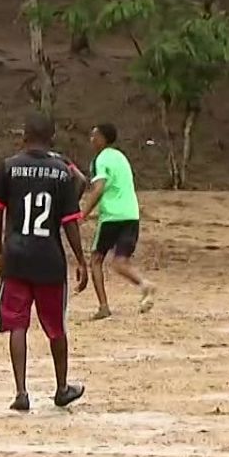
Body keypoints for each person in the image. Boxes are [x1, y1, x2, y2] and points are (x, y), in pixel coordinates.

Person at [0, 112, 89, 411]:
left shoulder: (8, 167)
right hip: (49, 259)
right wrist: (80, 259)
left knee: (17, 324)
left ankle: (21, 393)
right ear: (52, 138)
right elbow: (70, 222)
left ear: (23, 135)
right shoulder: (61, 172)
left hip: (16, 256)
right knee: (55, 326)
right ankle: (61, 388)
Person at [82, 123, 154, 319]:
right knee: (120, 261)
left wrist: (83, 214)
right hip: (131, 214)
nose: (91, 140)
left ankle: (103, 306)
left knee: (96, 260)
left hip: (112, 216)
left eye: (94, 136)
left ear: (103, 139)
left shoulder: (101, 159)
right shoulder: (121, 157)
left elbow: (99, 188)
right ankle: (144, 284)